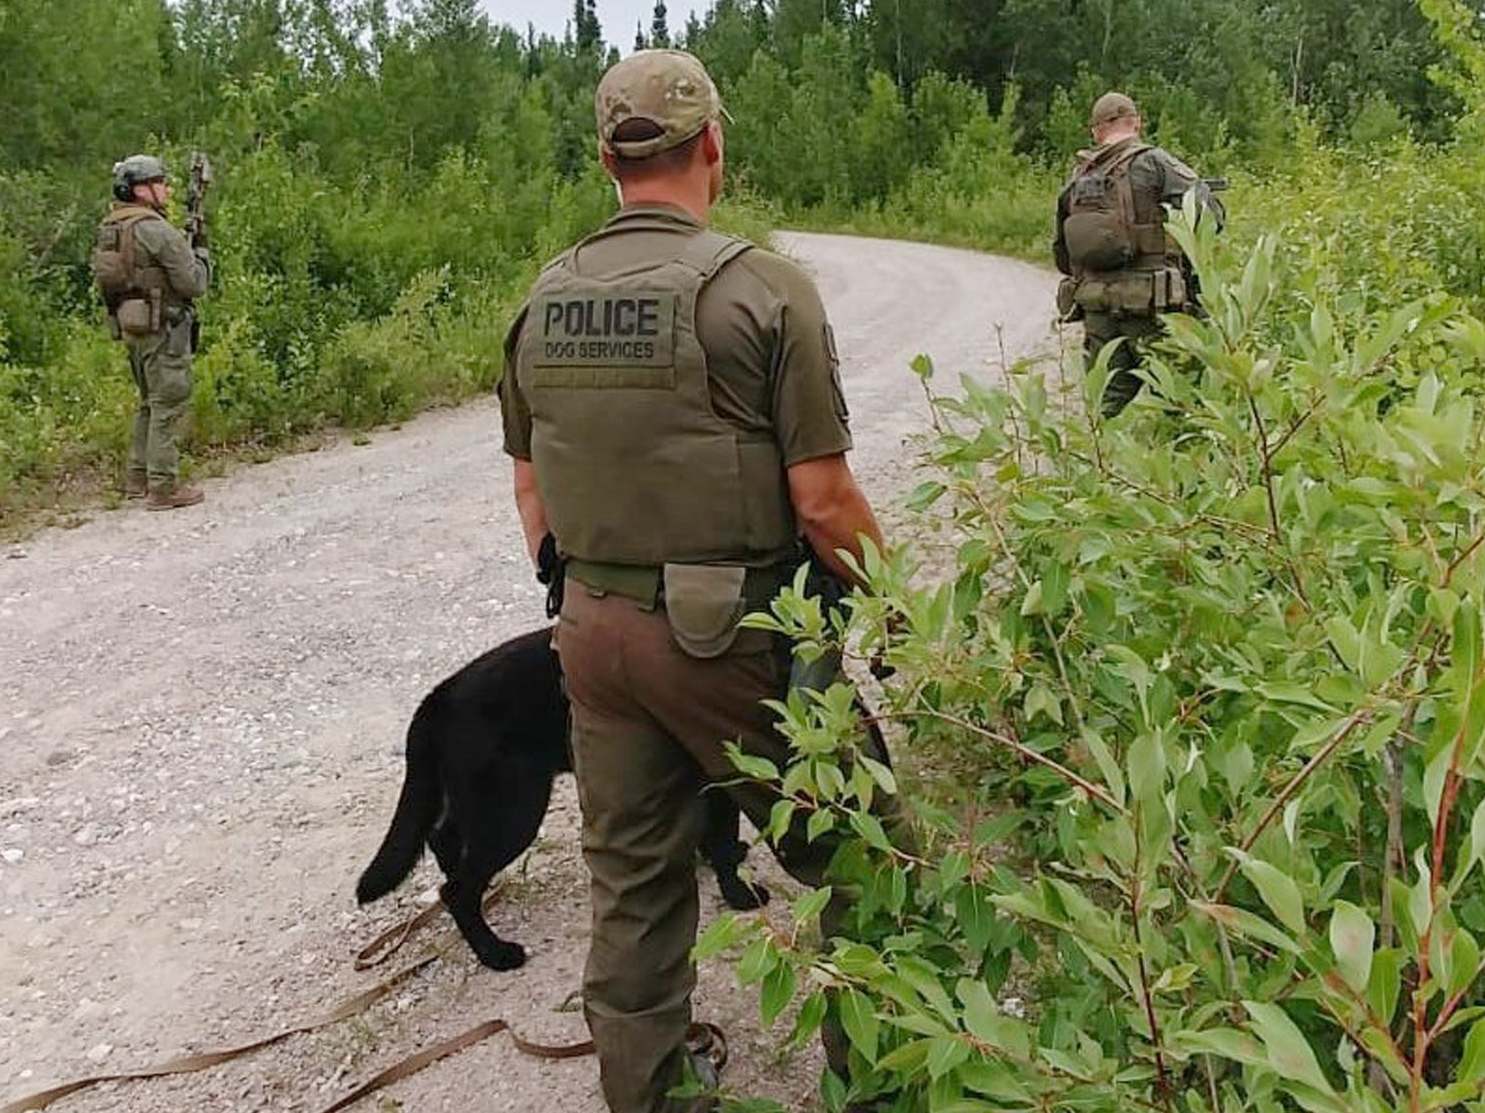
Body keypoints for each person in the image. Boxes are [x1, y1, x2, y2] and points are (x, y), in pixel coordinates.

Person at [498, 49, 893, 1113]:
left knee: (630, 883)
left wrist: (576, 587)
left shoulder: (545, 299)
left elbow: (531, 488)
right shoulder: (762, 291)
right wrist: (892, 602)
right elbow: (822, 502)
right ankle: (887, 1082)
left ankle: (654, 1095)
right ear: (713, 143)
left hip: (590, 632)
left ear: (604, 159)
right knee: (868, 857)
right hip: (732, 639)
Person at [1053, 92, 1225, 417]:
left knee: (1103, 409)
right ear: (1137, 123)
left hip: (1098, 311)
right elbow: (1210, 218)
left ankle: (1094, 465)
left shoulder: (1077, 178)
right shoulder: (1154, 161)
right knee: (1181, 404)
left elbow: (1062, 254)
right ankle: (1182, 462)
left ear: (1096, 131)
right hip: (1151, 310)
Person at [91, 154, 211, 509]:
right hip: (165, 326)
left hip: (133, 326)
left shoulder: (113, 226)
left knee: (148, 403)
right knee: (168, 403)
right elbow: (193, 283)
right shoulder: (155, 229)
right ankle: (163, 487)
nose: (167, 189)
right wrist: (201, 249)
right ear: (141, 190)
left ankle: (137, 478)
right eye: (159, 182)